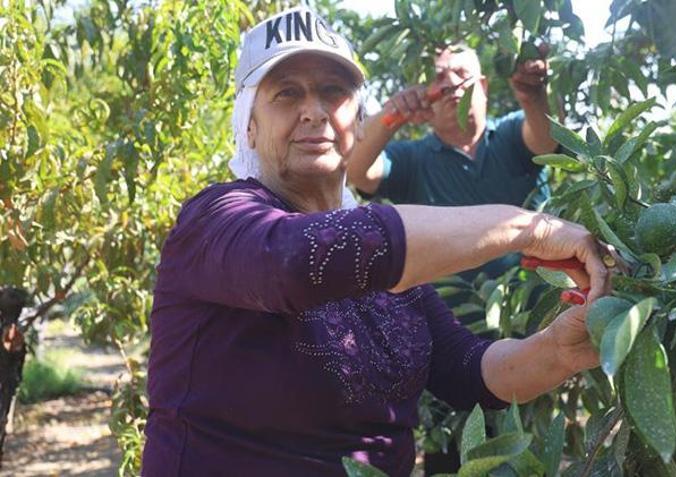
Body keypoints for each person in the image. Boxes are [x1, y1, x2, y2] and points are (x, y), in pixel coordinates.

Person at [141, 6, 611, 476]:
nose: (314, 110)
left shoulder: (389, 270)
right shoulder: (215, 220)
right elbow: (291, 261)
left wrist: (557, 349)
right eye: (286, 94)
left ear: (357, 119)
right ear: (249, 124)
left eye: (333, 91)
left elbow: (469, 370)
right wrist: (529, 229)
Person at [346, 44, 557, 278]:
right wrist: (394, 114)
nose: (450, 83)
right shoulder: (412, 160)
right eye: (438, 78)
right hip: (451, 312)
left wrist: (533, 97)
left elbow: (545, 140)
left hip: (541, 307)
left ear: (483, 87)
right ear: (425, 95)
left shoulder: (512, 133)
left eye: (462, 73)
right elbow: (357, 172)